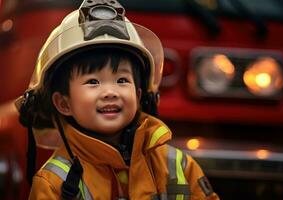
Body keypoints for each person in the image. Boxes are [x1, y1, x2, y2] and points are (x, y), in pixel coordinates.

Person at [16, 0, 220, 199]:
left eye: (122, 80)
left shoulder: (179, 166)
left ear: (139, 96)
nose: (110, 92)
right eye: (93, 82)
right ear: (63, 103)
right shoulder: (54, 183)